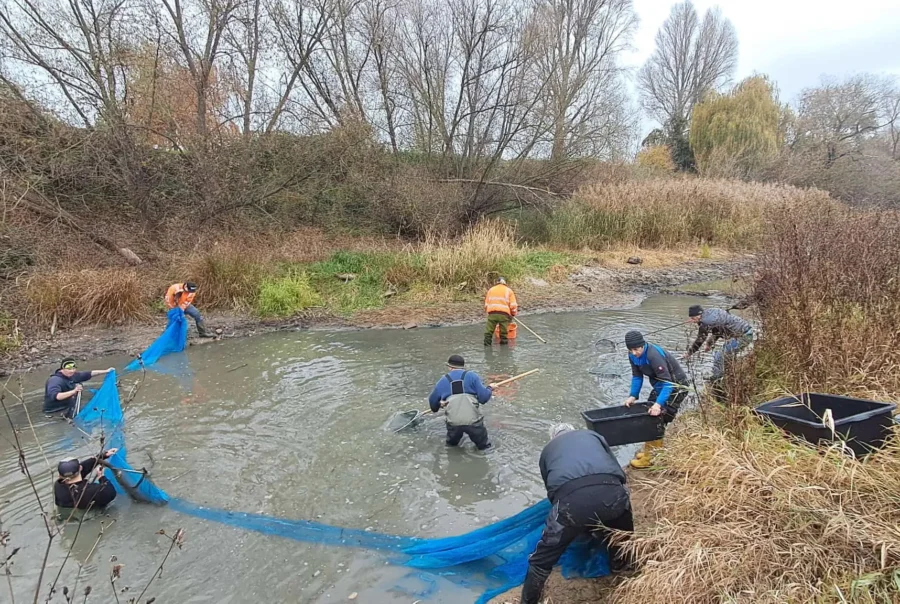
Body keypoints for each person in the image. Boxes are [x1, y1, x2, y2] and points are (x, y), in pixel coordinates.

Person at [520, 423, 634, 604]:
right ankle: (620, 566)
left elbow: (552, 493)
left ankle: (529, 601)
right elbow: (619, 472)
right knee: (621, 534)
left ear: (553, 437)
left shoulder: (548, 450)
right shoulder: (593, 436)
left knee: (540, 562)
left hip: (572, 504)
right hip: (614, 495)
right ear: (574, 431)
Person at [623, 330, 688, 469]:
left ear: (643, 345)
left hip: (676, 387)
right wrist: (633, 395)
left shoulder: (653, 356)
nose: (634, 353)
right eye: (630, 350)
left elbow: (668, 383)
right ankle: (652, 451)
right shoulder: (632, 355)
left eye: (636, 349)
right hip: (660, 386)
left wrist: (658, 404)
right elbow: (637, 376)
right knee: (649, 414)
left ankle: (651, 458)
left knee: (659, 418)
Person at [428, 355, 495, 450]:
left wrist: (440, 404)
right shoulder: (472, 376)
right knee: (484, 447)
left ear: (449, 367)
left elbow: (433, 407)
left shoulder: (442, 381)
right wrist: (490, 388)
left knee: (451, 447)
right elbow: (483, 398)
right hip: (473, 421)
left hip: (453, 423)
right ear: (463, 366)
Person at [683, 305, 753, 381]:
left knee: (719, 356)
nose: (692, 320)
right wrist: (709, 344)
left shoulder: (705, 322)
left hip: (743, 336)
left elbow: (700, 340)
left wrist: (689, 353)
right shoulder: (710, 312)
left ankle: (716, 379)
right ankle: (730, 376)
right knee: (727, 355)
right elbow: (717, 331)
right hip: (746, 332)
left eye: (693, 318)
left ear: (698, 315)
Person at [43, 359, 114, 418]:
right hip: (55, 413)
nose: (72, 371)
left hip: (69, 408)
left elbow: (89, 374)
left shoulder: (72, 376)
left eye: (74, 368)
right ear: (62, 369)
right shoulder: (55, 381)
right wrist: (74, 391)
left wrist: (106, 371)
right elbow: (57, 396)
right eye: (69, 369)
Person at [55, 448, 119, 510]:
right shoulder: (92, 491)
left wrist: (101, 456)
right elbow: (111, 492)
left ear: (59, 476)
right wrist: (101, 477)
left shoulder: (58, 486)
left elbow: (80, 471)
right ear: (80, 468)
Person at [483, 277, 518, 346]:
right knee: (504, 333)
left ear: (497, 282)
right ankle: (504, 348)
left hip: (492, 314)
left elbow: (486, 305)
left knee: (488, 332)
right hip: (504, 315)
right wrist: (513, 314)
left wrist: (489, 312)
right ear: (505, 282)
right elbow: (513, 306)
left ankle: (487, 346)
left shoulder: (491, 290)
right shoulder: (509, 291)